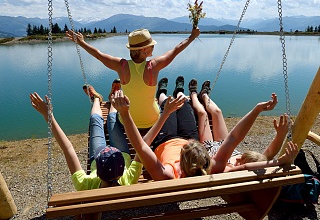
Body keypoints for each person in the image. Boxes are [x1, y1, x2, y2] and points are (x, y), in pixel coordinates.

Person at [111, 81, 298, 181]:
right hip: (187, 135)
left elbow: (142, 147)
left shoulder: (168, 174)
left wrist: (127, 114)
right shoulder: (210, 168)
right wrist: (256, 110)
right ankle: (176, 94)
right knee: (183, 103)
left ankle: (164, 97)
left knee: (169, 106)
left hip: (164, 139)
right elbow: (233, 141)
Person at [66, 27, 200, 152]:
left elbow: (98, 55)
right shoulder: (153, 66)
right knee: (159, 105)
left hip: (127, 122)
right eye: (151, 45)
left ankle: (109, 96)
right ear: (144, 50)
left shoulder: (122, 66)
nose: (154, 46)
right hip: (152, 121)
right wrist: (192, 37)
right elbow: (176, 50)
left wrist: (81, 42)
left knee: (116, 112)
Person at [29, 84, 185, 190]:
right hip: (121, 153)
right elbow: (144, 144)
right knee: (110, 122)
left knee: (97, 122)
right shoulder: (127, 179)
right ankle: (112, 102)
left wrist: (48, 115)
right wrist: (165, 114)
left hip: (117, 155)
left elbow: (68, 147)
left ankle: (97, 99)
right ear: (122, 167)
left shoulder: (88, 184)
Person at [188, 78, 291, 173]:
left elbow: (235, 138)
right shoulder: (256, 166)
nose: (238, 157)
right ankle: (204, 95)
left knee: (203, 114)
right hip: (225, 144)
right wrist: (280, 135)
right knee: (217, 112)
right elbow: (269, 153)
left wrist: (256, 110)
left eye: (240, 160)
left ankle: (193, 94)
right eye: (242, 156)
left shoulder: (226, 169)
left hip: (210, 146)